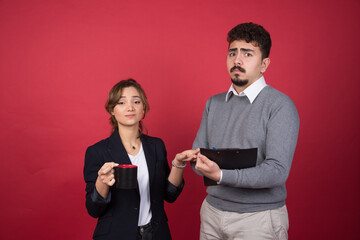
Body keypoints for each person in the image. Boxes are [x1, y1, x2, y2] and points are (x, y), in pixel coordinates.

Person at [191, 22, 300, 239]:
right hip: (211, 213)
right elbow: (197, 160)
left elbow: (277, 171)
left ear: (264, 64)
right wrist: (194, 161)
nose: (237, 60)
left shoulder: (279, 105)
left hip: (258, 219)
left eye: (247, 54)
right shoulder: (214, 103)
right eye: (233, 53)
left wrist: (221, 174)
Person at [83, 79, 199, 240]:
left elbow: (170, 194)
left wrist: (178, 164)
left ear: (143, 108)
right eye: (121, 102)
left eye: (136, 101)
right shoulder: (97, 152)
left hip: (156, 233)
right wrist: (102, 182)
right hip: (116, 235)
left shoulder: (157, 146)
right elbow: (93, 209)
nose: (130, 107)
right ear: (112, 110)